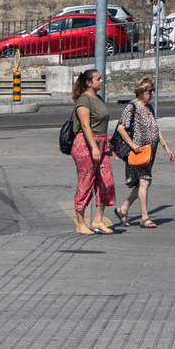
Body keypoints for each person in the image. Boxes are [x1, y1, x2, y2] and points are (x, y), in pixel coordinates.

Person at [117, 75, 174, 229]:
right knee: (145, 181)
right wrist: (132, 145)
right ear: (141, 91)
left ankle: (123, 209)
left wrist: (165, 146)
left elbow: (156, 128)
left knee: (143, 183)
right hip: (137, 151)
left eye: (153, 90)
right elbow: (121, 128)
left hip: (149, 152)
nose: (152, 93)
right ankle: (145, 217)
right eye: (150, 90)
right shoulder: (131, 107)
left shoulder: (149, 108)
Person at [71, 69, 117, 235]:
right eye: (98, 79)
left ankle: (98, 220)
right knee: (86, 183)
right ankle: (81, 223)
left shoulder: (99, 98)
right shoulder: (84, 100)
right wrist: (94, 147)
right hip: (86, 145)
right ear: (89, 83)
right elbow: (85, 126)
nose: (101, 81)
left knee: (107, 181)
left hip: (102, 143)